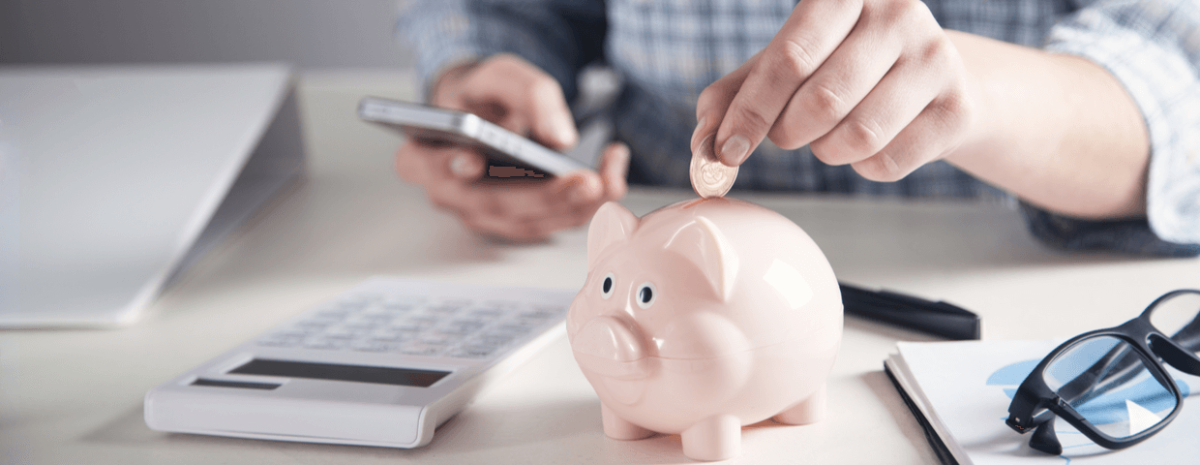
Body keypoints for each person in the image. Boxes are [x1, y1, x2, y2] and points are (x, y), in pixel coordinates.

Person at [395, 0, 1200, 256]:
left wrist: (974, 90)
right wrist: (477, 86)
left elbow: (1179, 87)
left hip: (992, 261)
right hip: (647, 219)